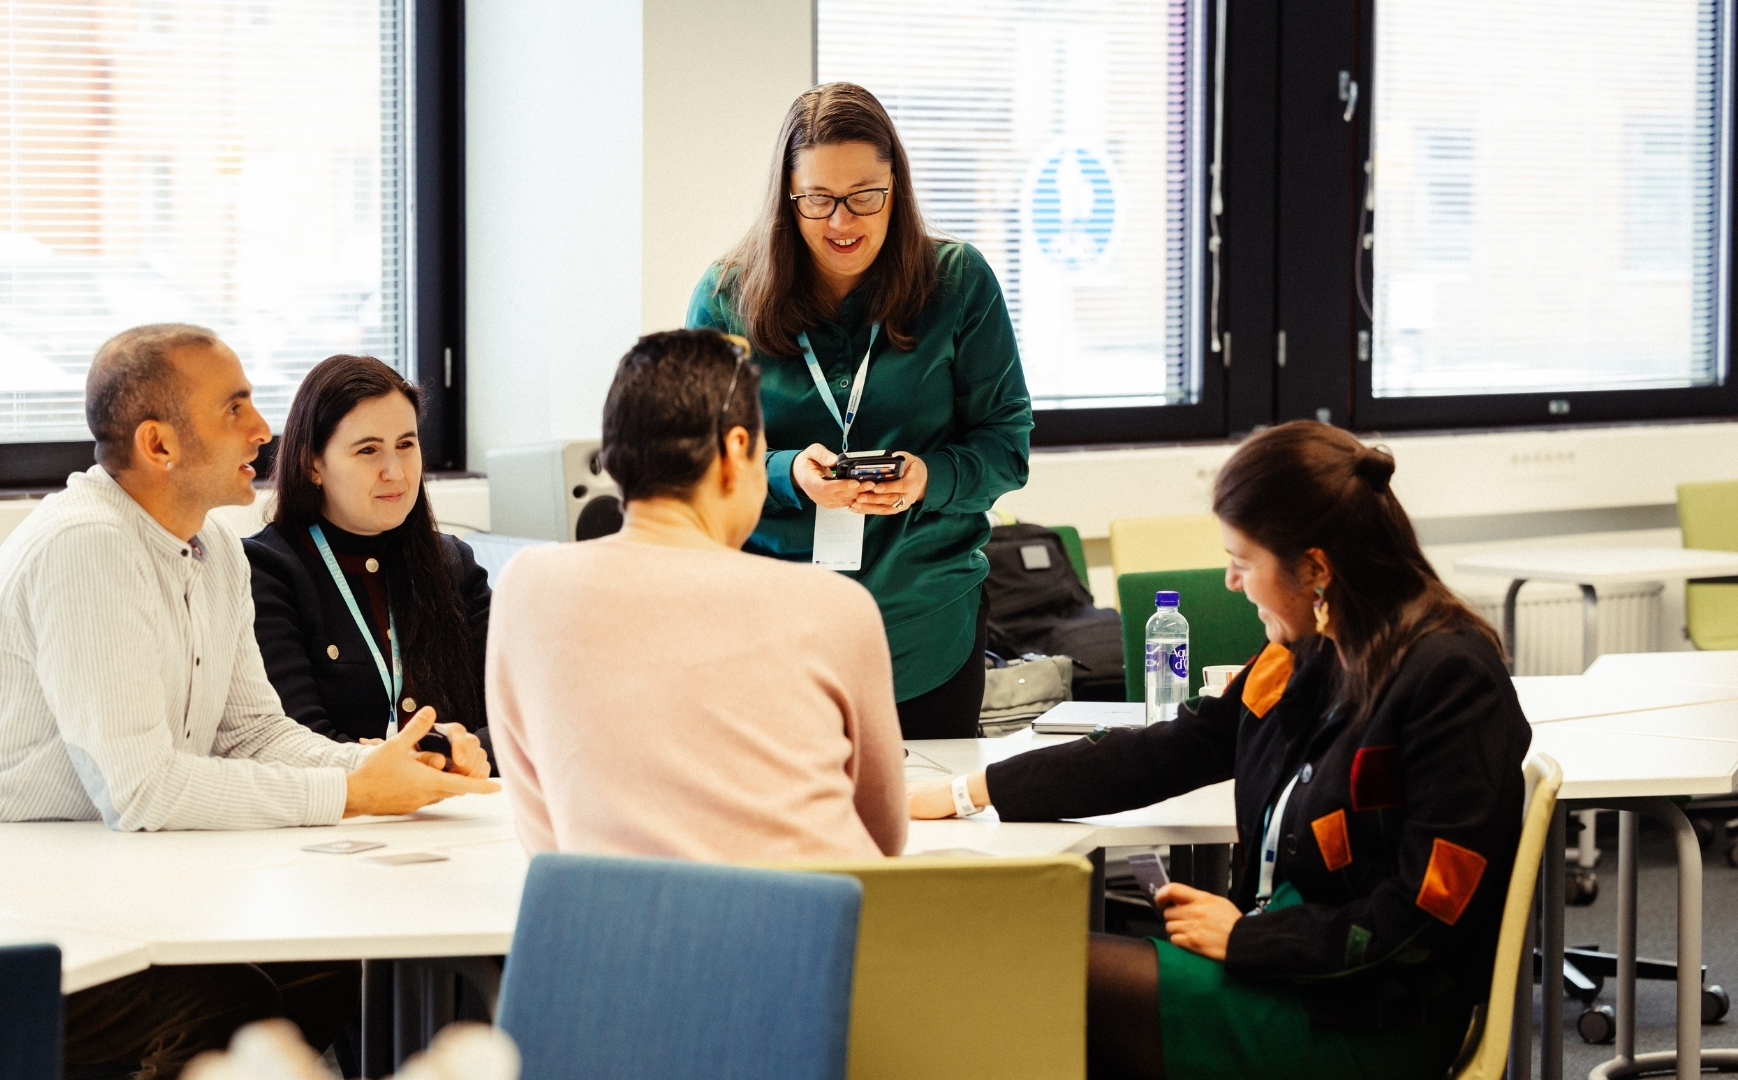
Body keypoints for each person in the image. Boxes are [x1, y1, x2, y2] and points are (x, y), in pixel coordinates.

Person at [0, 323, 496, 1079]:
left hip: (119, 880)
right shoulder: (87, 545)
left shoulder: (217, 551)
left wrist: (389, 763)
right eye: (234, 408)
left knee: (330, 973)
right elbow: (142, 789)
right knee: (244, 1008)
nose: (263, 430)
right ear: (159, 444)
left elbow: (254, 733)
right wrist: (352, 791)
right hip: (30, 916)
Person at [908, 421, 1532, 1080]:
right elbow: (1173, 748)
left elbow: (1426, 916)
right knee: (1030, 980)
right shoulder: (1309, 650)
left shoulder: (1449, 675)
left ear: (1316, 569)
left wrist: (1247, 937)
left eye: (1242, 560)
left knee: (1034, 980)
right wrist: (970, 790)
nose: (1231, 582)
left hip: (1370, 1013)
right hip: (1291, 968)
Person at [688, 81, 1032, 740]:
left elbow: (1006, 446)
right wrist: (790, 474)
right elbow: (699, 466)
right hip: (774, 629)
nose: (842, 222)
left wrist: (929, 477)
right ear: (787, 198)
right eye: (818, 199)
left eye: (863, 197)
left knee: (923, 830)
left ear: (895, 188)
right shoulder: (726, 296)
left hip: (925, 630)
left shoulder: (957, 282)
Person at [487, 328, 907, 861]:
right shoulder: (832, 606)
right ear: (735, 449)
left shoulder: (526, 587)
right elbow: (884, 836)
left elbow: (547, 839)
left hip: (618, 934)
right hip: (807, 931)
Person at [244, 354, 494, 769]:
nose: (394, 471)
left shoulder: (454, 563)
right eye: (368, 450)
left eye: (405, 445)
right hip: (345, 817)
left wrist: (450, 757)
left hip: (460, 809)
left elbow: (519, 717)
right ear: (313, 465)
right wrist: (395, 767)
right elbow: (292, 738)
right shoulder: (266, 571)